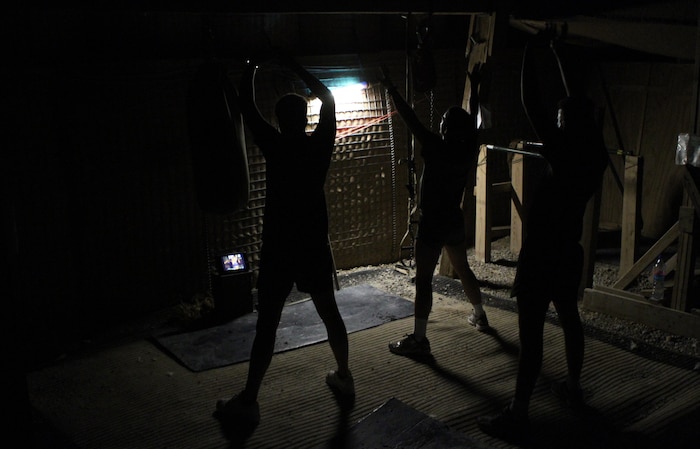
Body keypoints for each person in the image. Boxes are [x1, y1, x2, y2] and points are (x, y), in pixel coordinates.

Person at [476, 29, 609, 445]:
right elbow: (579, 110)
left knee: (531, 337)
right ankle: (572, 384)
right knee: (569, 319)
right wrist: (557, 58)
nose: (554, 120)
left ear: (566, 126)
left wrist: (530, 52)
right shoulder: (593, 156)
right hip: (568, 252)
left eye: (559, 119)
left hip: (541, 257)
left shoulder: (564, 151)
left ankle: (519, 414)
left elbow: (531, 101)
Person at [215, 53, 354, 429]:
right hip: (311, 245)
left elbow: (245, 104)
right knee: (330, 313)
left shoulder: (274, 146)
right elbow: (327, 97)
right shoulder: (319, 146)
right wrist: (294, 66)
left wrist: (251, 66)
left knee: (268, 327)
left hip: (279, 248)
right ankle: (344, 375)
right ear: (305, 118)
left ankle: (250, 399)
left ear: (278, 121)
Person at [379, 59, 489, 360]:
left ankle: (419, 339)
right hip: (454, 218)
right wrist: (475, 87)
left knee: (425, 281)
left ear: (445, 128)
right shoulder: (468, 149)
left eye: (442, 123)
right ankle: (480, 315)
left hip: (432, 223)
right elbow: (473, 121)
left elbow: (409, 117)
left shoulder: (434, 145)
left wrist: (390, 87)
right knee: (463, 268)